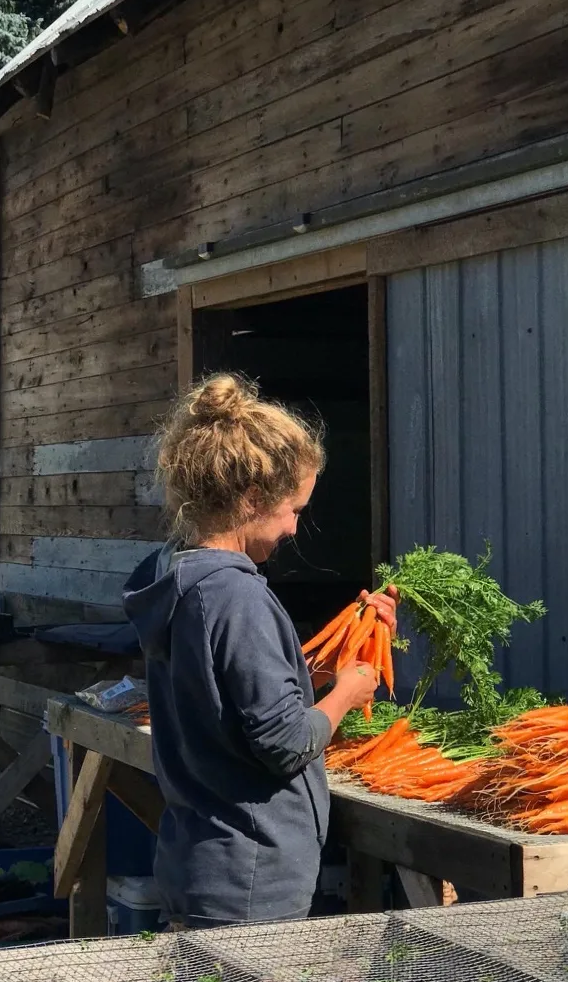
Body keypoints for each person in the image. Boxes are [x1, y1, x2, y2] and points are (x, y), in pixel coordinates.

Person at [123, 373, 397, 929]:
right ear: (251, 499)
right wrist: (347, 692)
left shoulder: (176, 579)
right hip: (247, 878)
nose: (295, 528)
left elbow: (238, 700)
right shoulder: (237, 595)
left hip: (200, 859)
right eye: (293, 509)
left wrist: (333, 661)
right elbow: (285, 741)